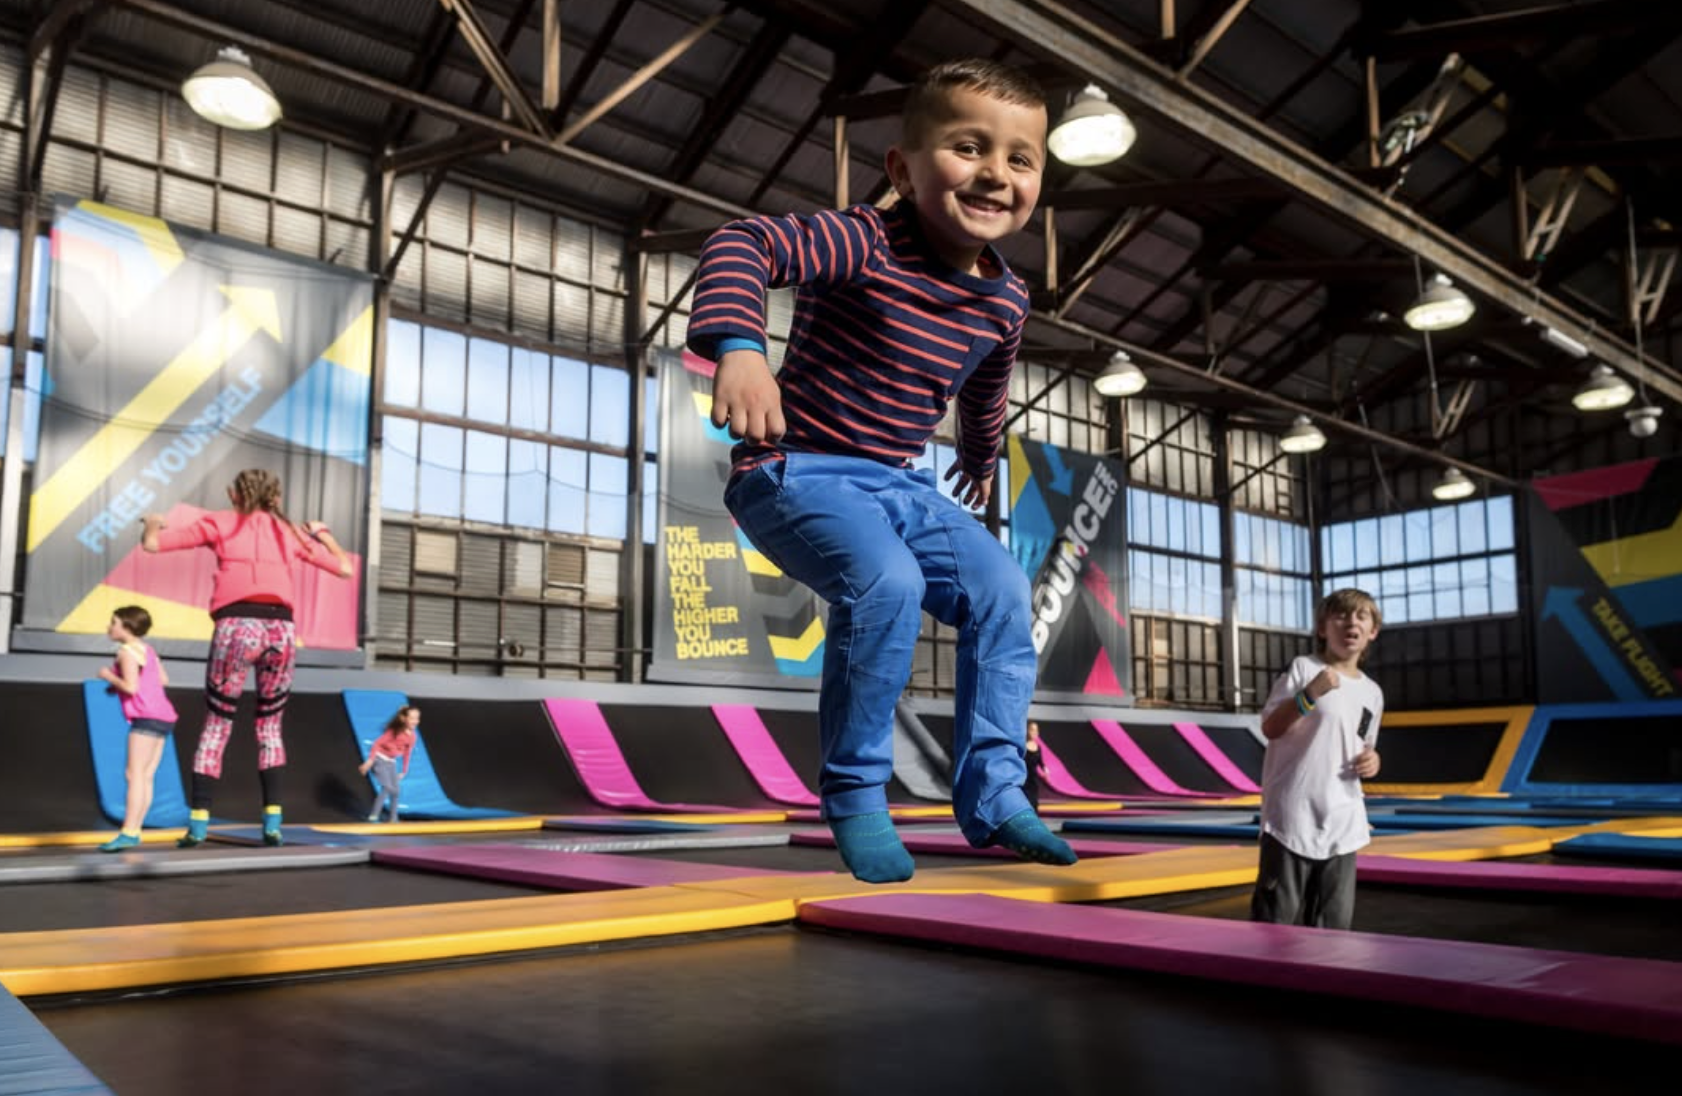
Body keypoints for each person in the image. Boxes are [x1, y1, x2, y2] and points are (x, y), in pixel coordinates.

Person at [686, 58, 1075, 883]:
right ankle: (857, 795)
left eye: (1020, 158)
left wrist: (977, 456)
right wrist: (741, 348)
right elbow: (741, 242)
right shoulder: (861, 239)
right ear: (901, 169)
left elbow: (986, 384)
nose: (995, 173)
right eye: (969, 148)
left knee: (1005, 593)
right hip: (793, 471)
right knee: (888, 585)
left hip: (900, 485)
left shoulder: (1007, 300)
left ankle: (997, 794)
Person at [141, 468, 353, 848]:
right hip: (280, 632)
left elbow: (153, 545)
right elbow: (345, 568)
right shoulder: (291, 532)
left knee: (217, 724)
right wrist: (323, 534)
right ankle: (272, 824)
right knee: (270, 727)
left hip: (236, 629)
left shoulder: (219, 523)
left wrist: (153, 523)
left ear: (234, 494)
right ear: (276, 497)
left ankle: (199, 824)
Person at [1251, 587, 1384, 930]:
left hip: (1344, 821)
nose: (1351, 622)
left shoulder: (1372, 692)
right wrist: (1310, 693)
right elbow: (1271, 727)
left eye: (1361, 616)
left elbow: (1364, 745)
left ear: (1372, 631)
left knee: (1334, 932)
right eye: (1341, 615)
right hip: (1292, 818)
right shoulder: (1303, 668)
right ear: (1323, 628)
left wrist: (1373, 761)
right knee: (1272, 928)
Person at [95, 605, 180, 852]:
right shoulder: (148, 650)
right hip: (165, 715)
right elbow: (162, 680)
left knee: (134, 775)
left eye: (114, 622)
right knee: (146, 775)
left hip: (146, 716)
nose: (109, 627)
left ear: (127, 627)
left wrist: (108, 676)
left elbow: (131, 687)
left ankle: (129, 832)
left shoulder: (126, 652)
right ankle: (135, 829)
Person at [359, 705, 419, 823]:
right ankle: (373, 816)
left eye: (417, 718)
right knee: (387, 787)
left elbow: (407, 753)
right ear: (404, 719)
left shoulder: (412, 737)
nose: (415, 721)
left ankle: (393, 819)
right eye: (412, 718)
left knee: (396, 791)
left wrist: (404, 770)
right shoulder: (394, 732)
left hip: (391, 763)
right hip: (379, 760)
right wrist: (370, 761)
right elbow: (376, 744)